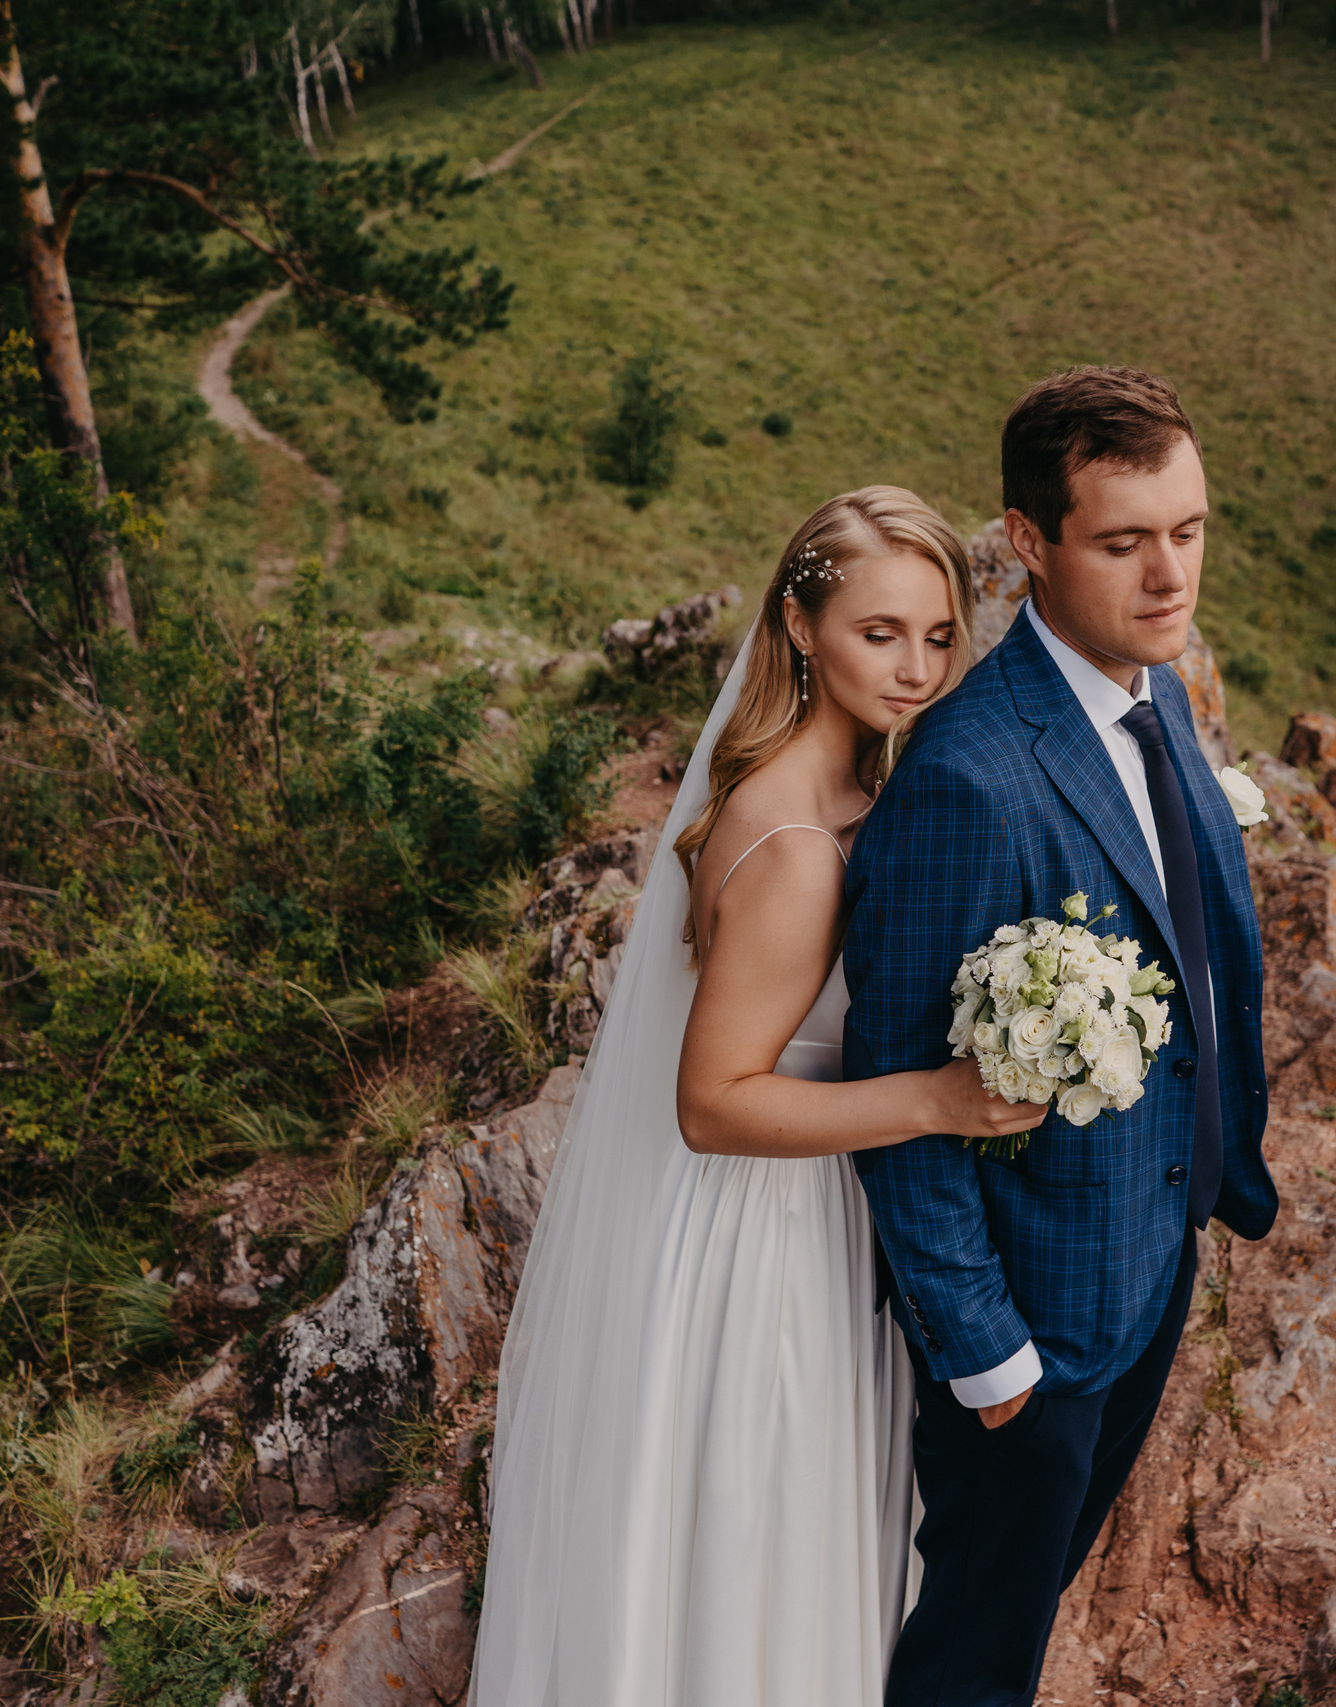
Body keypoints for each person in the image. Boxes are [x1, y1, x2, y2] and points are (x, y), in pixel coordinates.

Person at [471, 486, 1045, 1707]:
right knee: (757, 1554)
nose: (915, 667)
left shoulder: (854, 797)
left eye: (939, 637)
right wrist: (939, 1100)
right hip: (762, 1237)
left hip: (806, 1212)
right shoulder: (794, 845)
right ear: (801, 627)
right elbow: (713, 1102)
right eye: (879, 633)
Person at [844, 368, 1281, 1707]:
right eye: (1123, 539)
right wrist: (994, 1363)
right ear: (1027, 542)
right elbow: (897, 1093)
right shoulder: (971, 778)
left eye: (1189, 531)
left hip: (1148, 1261)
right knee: (970, 1662)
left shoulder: (1157, 690)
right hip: (1031, 1328)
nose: (1169, 576)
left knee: (1018, 1628)